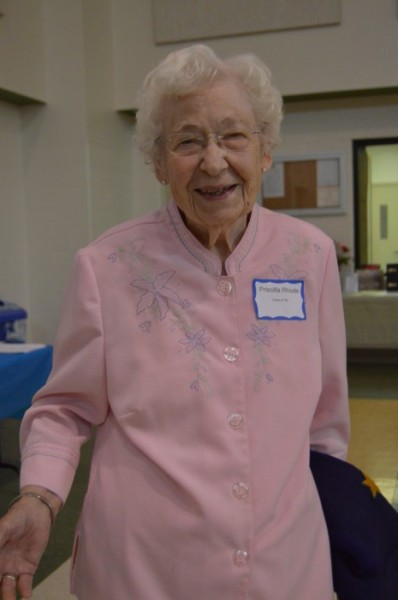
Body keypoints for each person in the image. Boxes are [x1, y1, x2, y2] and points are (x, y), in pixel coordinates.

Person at [0, 44, 350, 600]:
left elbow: (327, 422)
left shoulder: (309, 257)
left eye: (234, 135)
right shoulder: (107, 267)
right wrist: (40, 496)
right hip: (144, 573)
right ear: (159, 163)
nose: (214, 161)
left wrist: (345, 528)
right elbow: (64, 408)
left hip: (287, 569)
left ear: (264, 150)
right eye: (188, 141)